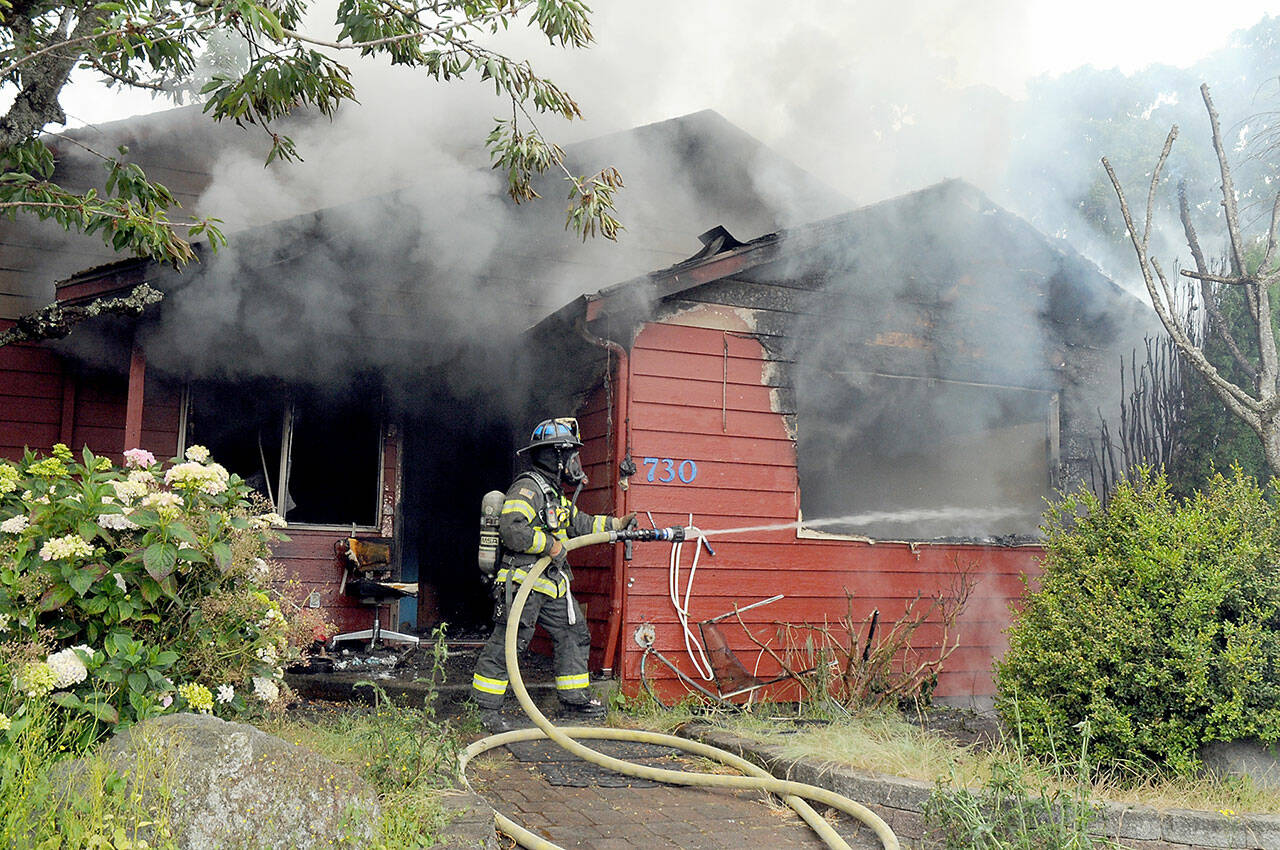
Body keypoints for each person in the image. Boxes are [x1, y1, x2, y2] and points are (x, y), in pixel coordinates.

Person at [471, 417, 635, 733]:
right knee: (509, 643)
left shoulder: (553, 494)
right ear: (555, 455)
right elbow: (513, 529)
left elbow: (579, 524)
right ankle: (486, 711)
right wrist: (551, 545)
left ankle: (574, 701)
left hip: (551, 584)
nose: (576, 462)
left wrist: (616, 526)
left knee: (574, 634)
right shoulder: (527, 487)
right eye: (572, 454)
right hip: (523, 582)